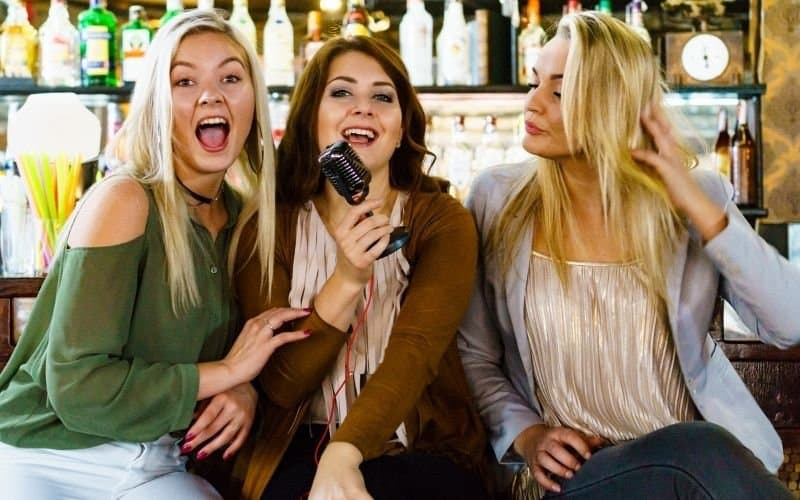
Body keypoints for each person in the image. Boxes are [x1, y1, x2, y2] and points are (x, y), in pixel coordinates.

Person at [457, 11, 798, 500]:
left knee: (695, 450)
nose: (532, 103)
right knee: (698, 448)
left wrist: (699, 206)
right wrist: (528, 436)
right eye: (535, 83)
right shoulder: (496, 200)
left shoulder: (694, 200)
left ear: (611, 105)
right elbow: (474, 355)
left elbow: (790, 321)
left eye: (558, 91)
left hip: (695, 476)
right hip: (574, 480)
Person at [0, 10, 310, 499]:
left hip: (156, 463)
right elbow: (78, 387)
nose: (211, 95)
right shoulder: (124, 199)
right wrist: (226, 373)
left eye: (231, 77)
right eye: (184, 81)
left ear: (253, 100)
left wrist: (245, 389)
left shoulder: (246, 221)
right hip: (45, 454)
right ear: (157, 105)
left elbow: (262, 353)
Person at [233, 35, 488, 500]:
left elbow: (415, 353)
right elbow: (283, 384)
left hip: (419, 446)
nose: (363, 108)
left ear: (401, 125)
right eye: (342, 92)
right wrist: (348, 278)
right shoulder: (270, 226)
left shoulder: (441, 222)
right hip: (295, 445)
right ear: (312, 116)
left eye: (382, 97)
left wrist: (344, 452)